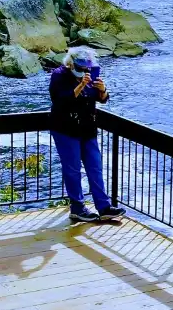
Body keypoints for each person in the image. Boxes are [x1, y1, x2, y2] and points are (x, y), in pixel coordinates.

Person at [49, 46, 126, 223]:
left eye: (88, 68)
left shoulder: (91, 74)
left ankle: (104, 207)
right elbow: (60, 101)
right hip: (66, 129)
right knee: (73, 169)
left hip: (88, 128)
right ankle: (77, 207)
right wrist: (81, 85)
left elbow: (102, 99)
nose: (85, 71)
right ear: (70, 64)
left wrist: (102, 89)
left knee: (95, 167)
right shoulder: (59, 75)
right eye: (81, 68)